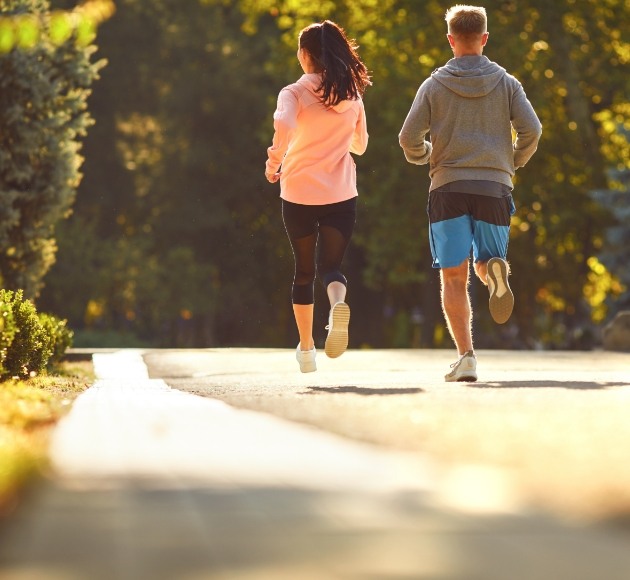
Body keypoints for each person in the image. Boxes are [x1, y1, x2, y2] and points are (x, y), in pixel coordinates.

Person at [399, 5, 542, 382]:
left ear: (450, 40)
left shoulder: (433, 85)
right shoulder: (507, 83)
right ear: (484, 38)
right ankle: (494, 270)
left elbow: (407, 137)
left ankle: (466, 358)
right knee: (488, 259)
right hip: (494, 185)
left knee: (452, 275)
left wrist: (426, 156)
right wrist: (509, 161)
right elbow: (533, 130)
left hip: (448, 186)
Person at [265, 20, 371, 373]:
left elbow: (285, 124)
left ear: (305, 54)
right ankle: (337, 303)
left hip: (298, 192)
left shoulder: (293, 92)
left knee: (304, 272)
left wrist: (274, 161)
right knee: (331, 268)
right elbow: (361, 145)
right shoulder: (352, 95)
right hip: (341, 194)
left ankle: (307, 349)